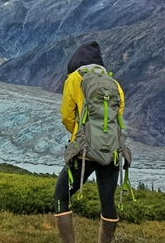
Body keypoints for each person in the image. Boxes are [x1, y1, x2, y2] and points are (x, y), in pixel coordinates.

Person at [53, 41, 125, 243]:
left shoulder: (74, 78)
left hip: (84, 151)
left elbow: (67, 115)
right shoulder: (114, 84)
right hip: (112, 152)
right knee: (108, 202)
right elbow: (118, 115)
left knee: (61, 196)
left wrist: (78, 134)